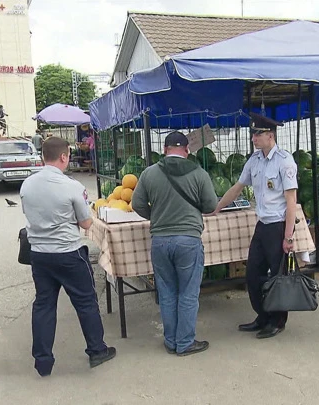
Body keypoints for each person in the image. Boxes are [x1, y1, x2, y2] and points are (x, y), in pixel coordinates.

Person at [20, 137, 116, 376]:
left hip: (39, 255)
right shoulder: (71, 186)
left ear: (44, 157)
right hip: (68, 253)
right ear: (64, 157)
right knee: (85, 302)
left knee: (43, 305)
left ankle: (43, 361)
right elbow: (85, 222)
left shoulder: (27, 185)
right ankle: (97, 350)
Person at [210, 113, 298, 339]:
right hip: (262, 225)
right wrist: (217, 207)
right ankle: (262, 315)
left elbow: (291, 200)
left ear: (270, 135)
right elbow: (238, 187)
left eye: (257, 134)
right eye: (253, 134)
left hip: (278, 226)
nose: (253, 138)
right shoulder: (255, 160)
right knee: (253, 274)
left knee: (278, 277)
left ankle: (277, 321)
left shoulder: (284, 161)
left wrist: (288, 237)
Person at [131, 131, 218, 356]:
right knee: (188, 293)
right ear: (187, 150)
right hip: (188, 240)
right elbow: (210, 205)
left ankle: (171, 341)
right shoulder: (199, 173)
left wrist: (156, 216)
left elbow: (137, 204)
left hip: (160, 240)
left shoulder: (149, 173)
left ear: (165, 149)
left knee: (167, 292)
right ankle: (186, 342)